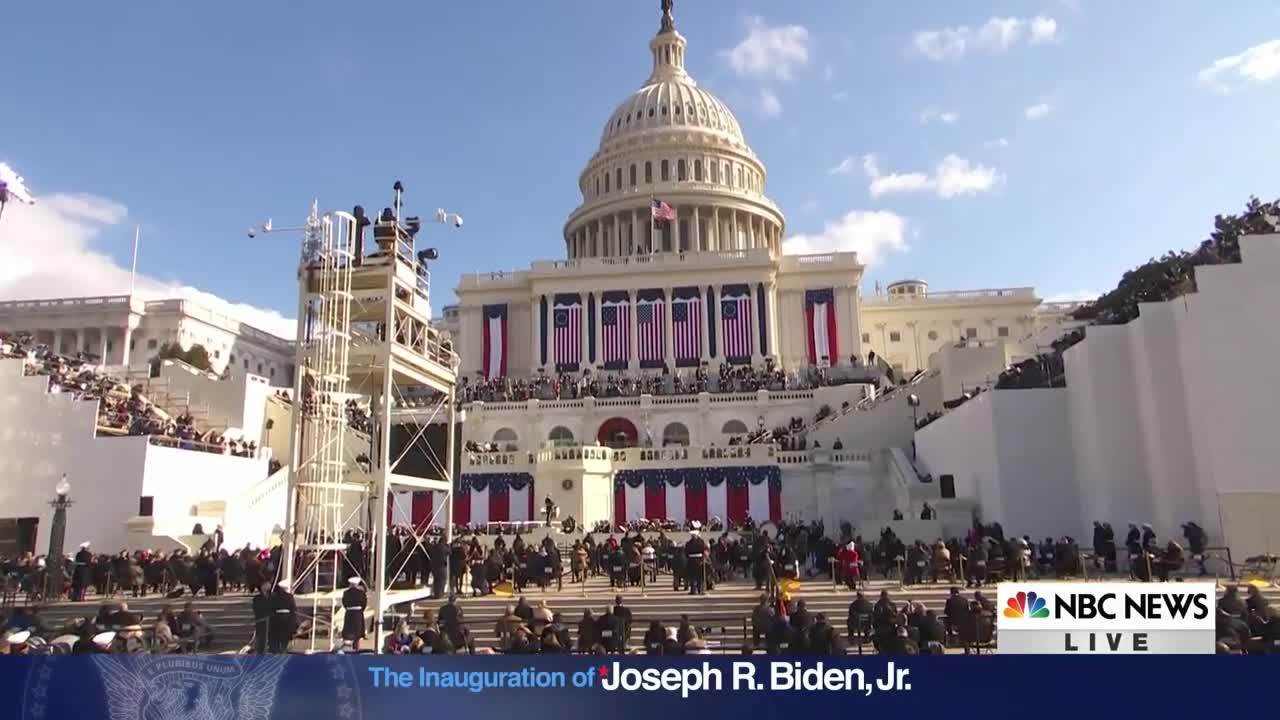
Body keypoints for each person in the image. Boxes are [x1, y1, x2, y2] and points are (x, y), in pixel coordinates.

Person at [267, 579, 297, 653]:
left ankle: (276, 651)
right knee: (284, 639)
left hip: (276, 619)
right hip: (286, 619)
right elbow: (293, 609)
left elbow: (270, 608)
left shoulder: (273, 596)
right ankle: (282, 650)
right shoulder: (290, 597)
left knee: (275, 639)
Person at [341, 576, 368, 650]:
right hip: (358, 614)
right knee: (358, 634)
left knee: (349, 632)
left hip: (349, 613)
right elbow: (364, 603)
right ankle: (357, 648)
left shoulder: (346, 593)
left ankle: (348, 648)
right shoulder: (361, 593)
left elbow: (344, 603)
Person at [684, 530, 707, 595]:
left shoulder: (688, 543)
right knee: (699, 576)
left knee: (693, 576)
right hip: (699, 560)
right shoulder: (701, 542)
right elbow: (704, 550)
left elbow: (686, 552)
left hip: (691, 561)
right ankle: (700, 590)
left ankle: (693, 590)